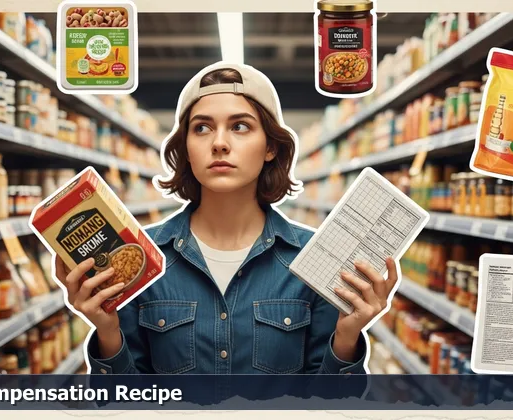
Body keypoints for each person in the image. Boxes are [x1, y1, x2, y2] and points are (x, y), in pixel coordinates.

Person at [55, 62, 399, 374]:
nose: (219, 143)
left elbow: (330, 407)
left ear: (270, 148)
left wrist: (348, 335)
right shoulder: (142, 258)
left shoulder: (315, 260)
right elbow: (125, 404)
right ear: (186, 150)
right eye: (202, 128)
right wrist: (107, 331)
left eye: (240, 126)